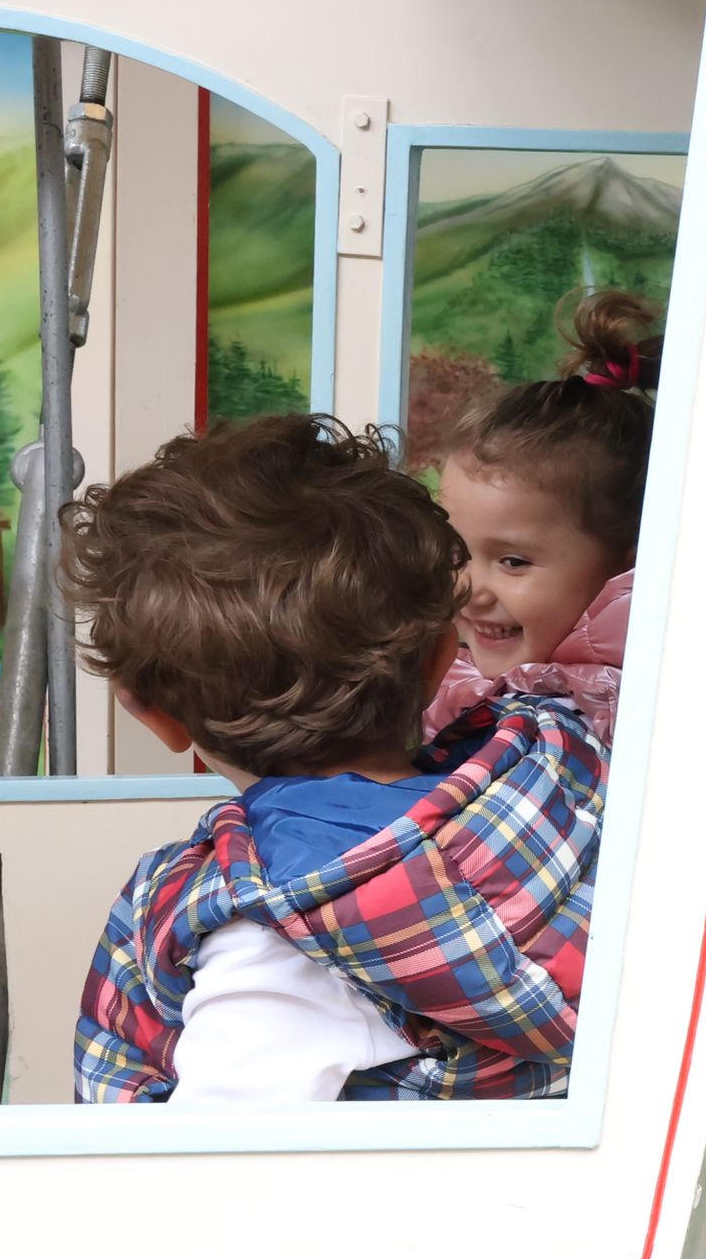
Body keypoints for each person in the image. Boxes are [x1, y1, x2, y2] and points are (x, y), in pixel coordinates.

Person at [66, 414, 607, 1105]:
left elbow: (216, 1163)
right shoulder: (559, 780)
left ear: (151, 713)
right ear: (442, 658)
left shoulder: (267, 938)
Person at [424, 288, 657, 748]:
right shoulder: (454, 678)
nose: (469, 589)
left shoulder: (603, 716)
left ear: (625, 570)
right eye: (455, 553)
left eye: (513, 562)